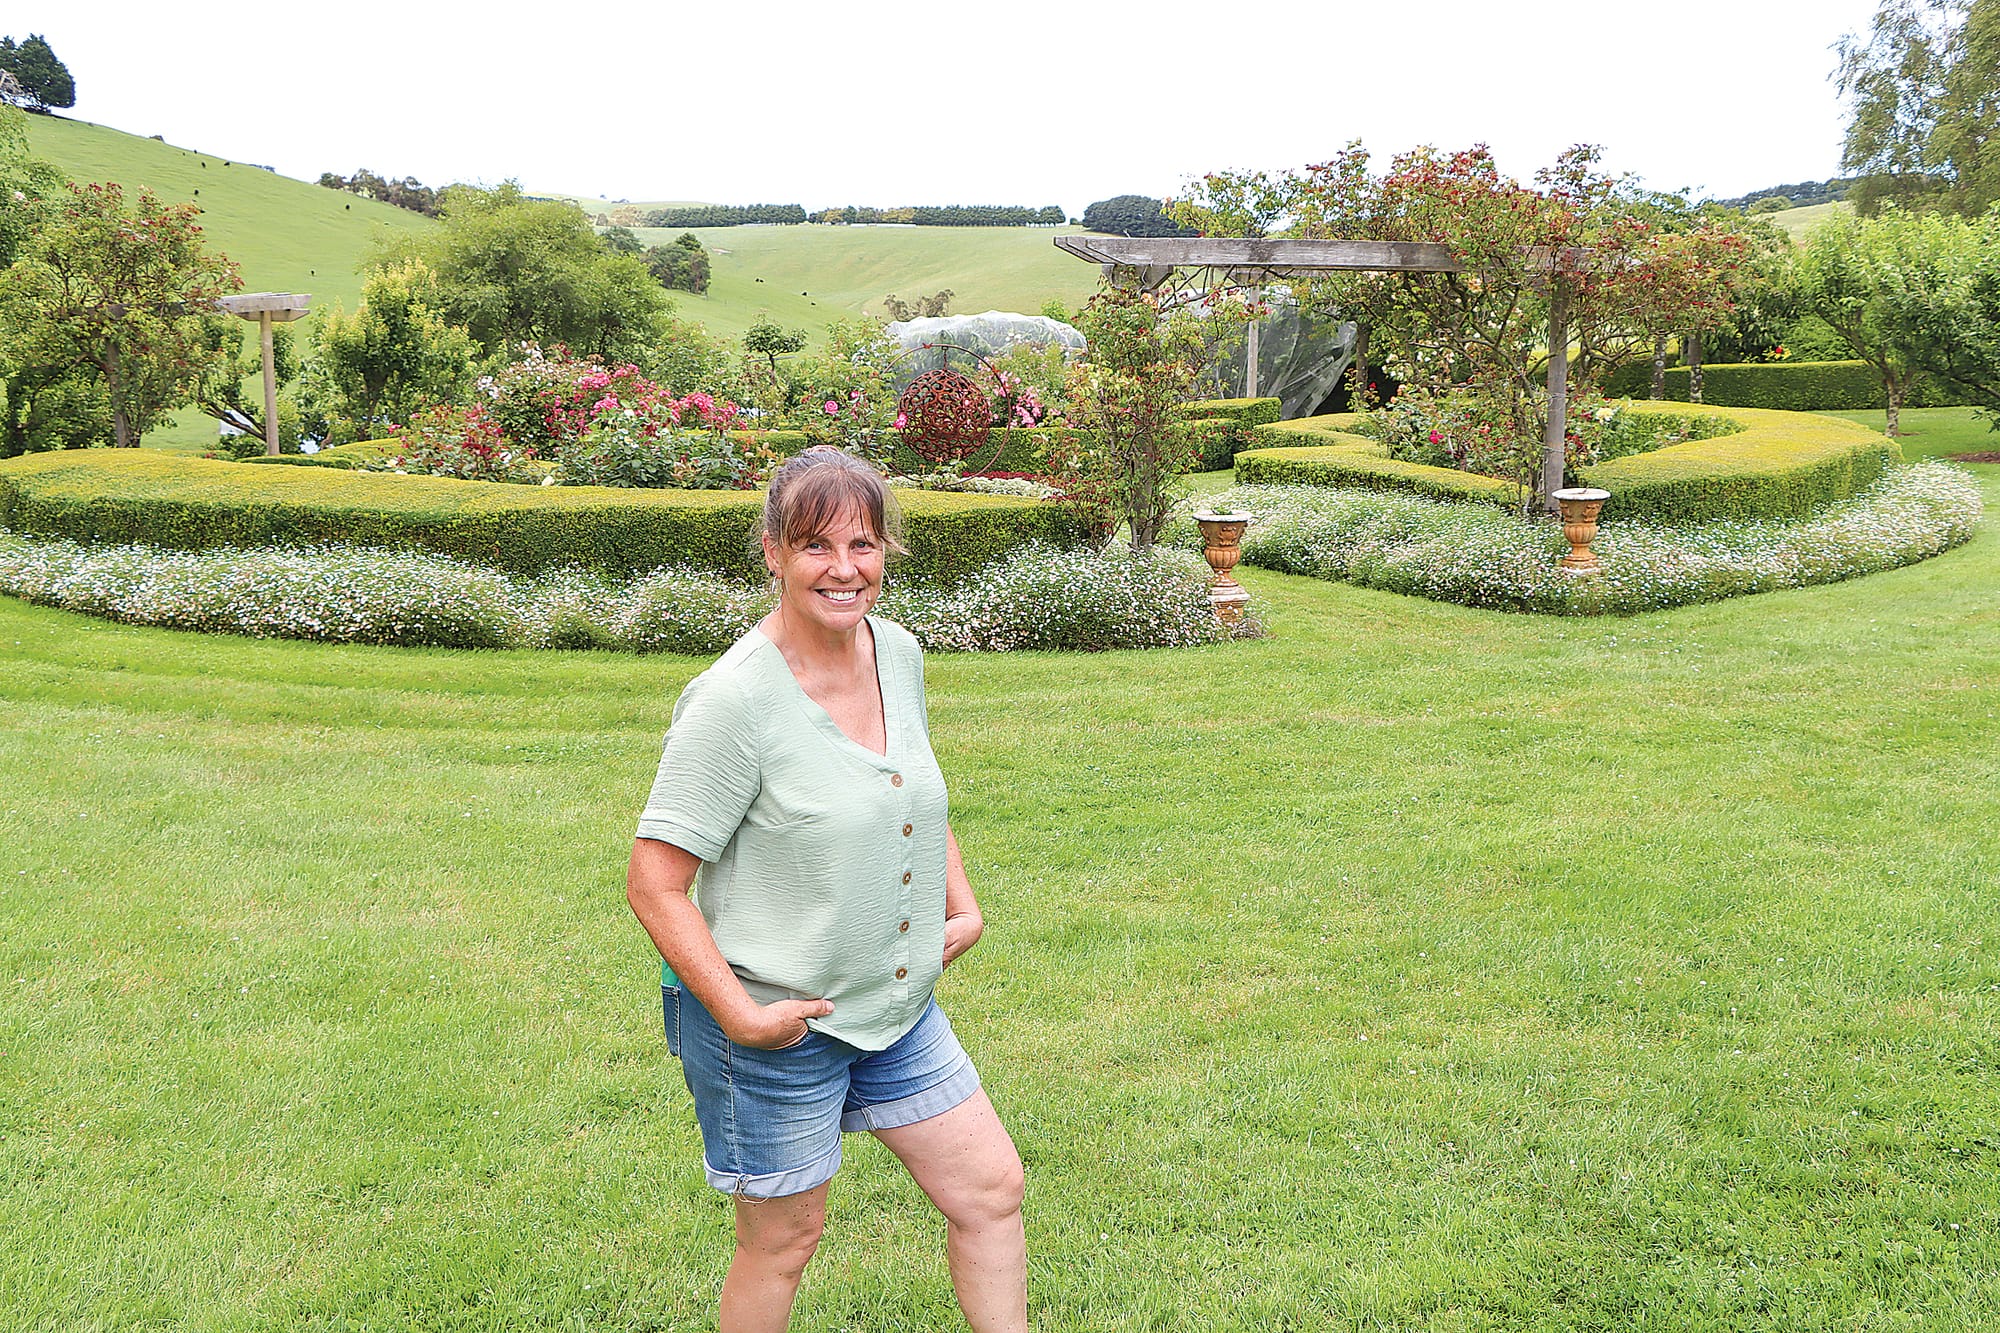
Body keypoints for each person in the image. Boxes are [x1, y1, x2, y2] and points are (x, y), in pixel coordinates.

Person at [627, 447, 1027, 1333]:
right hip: (780, 1016)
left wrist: (960, 903)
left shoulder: (897, 652)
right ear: (773, 551)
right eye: (817, 545)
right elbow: (653, 882)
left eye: (863, 544)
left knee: (991, 1188)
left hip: (892, 999)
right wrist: (742, 1016)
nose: (844, 568)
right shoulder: (733, 702)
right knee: (783, 1240)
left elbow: (909, 783)